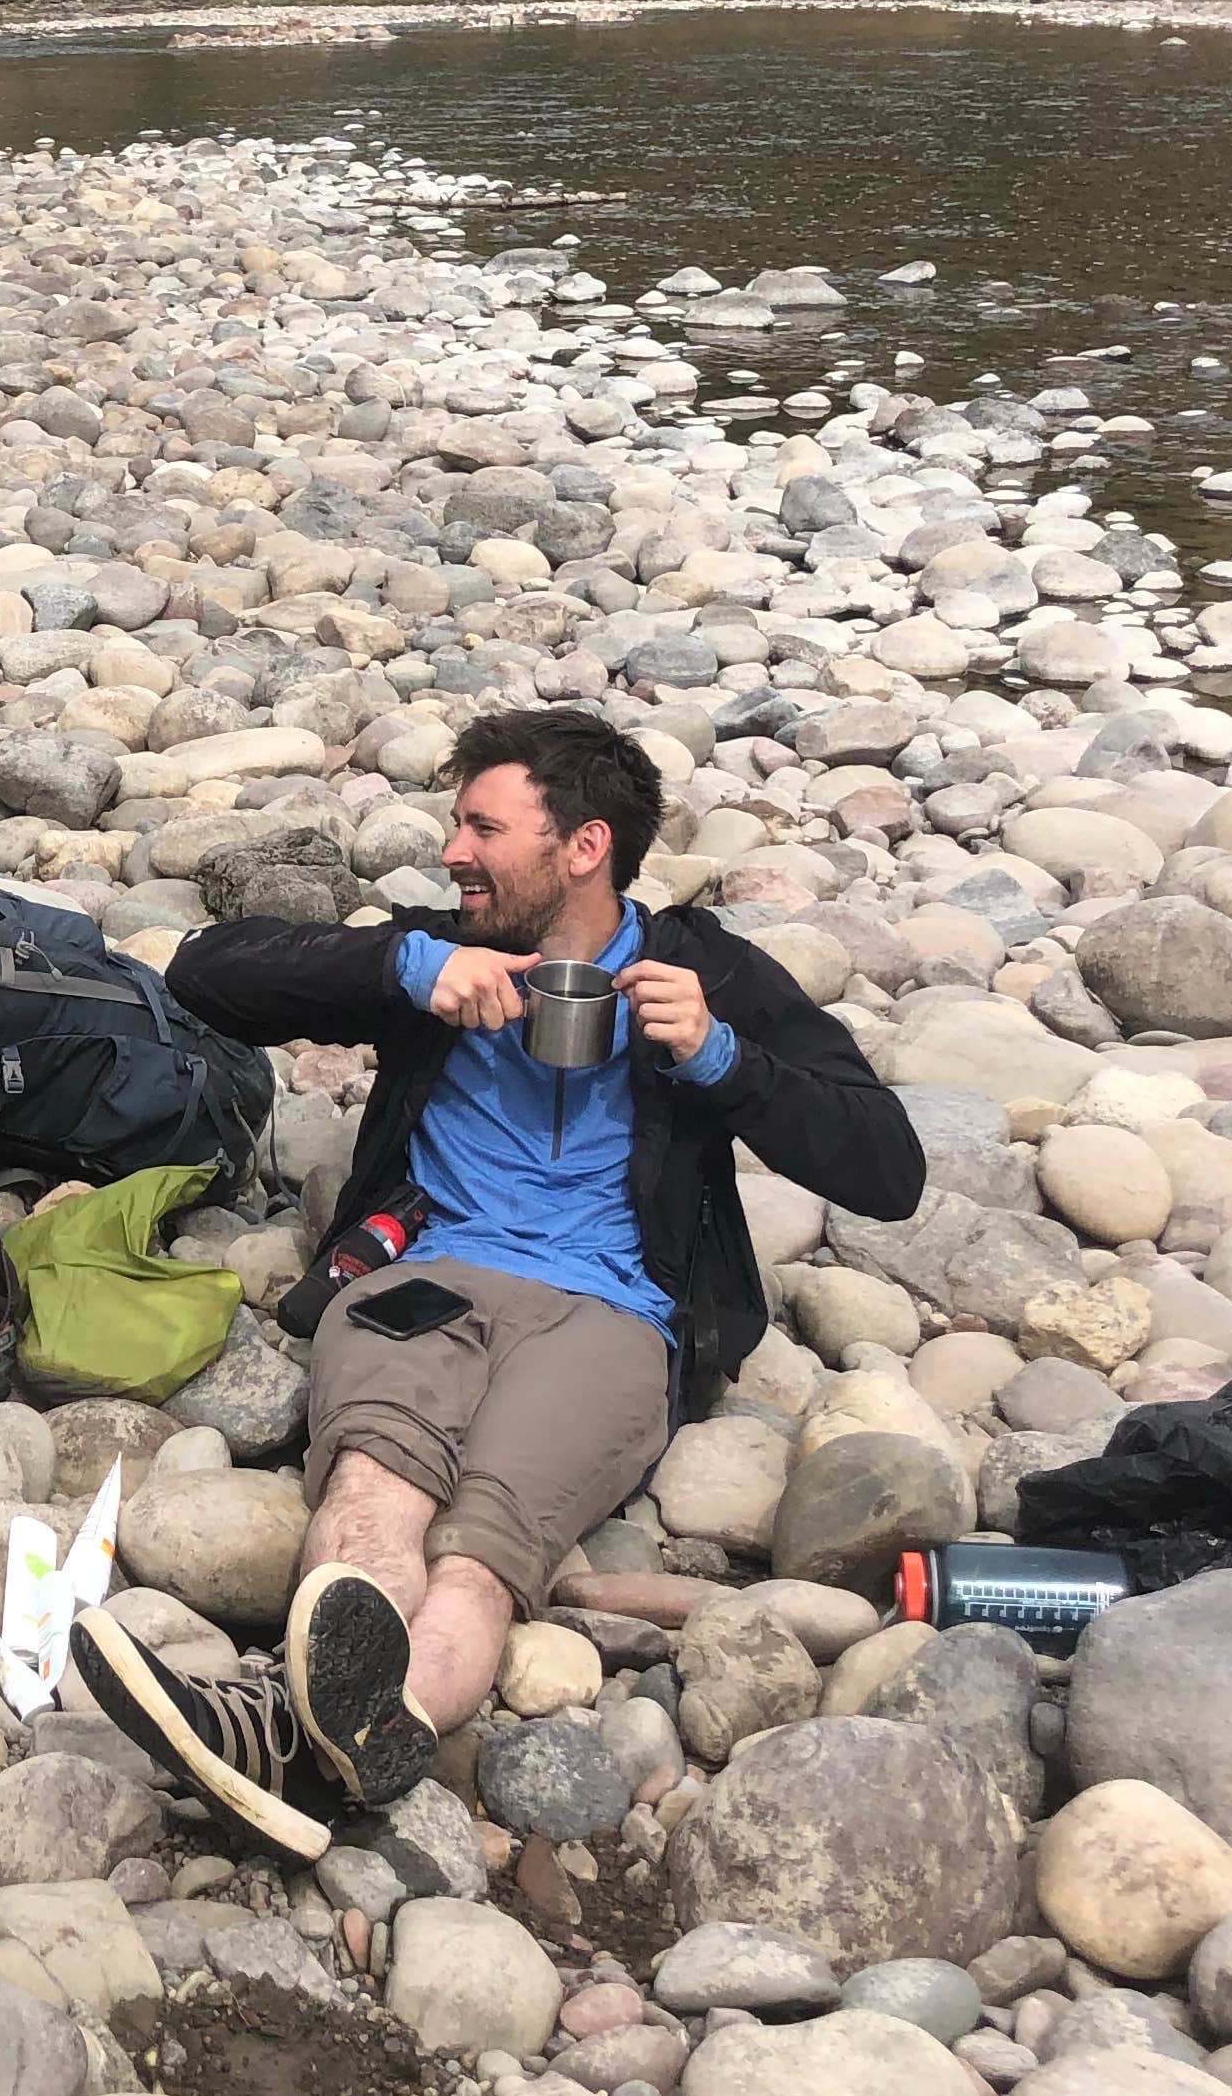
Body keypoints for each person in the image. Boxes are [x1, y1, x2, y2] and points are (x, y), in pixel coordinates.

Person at [70, 703, 928, 1861]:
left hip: (614, 1316)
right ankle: (327, 1752)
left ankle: (276, 1739)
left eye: (482, 828)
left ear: (583, 848)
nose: (453, 852)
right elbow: (205, 976)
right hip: (428, 1273)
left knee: (481, 1562)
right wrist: (405, 965)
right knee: (372, 1493)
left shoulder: (704, 969)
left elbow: (889, 1170)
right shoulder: (443, 950)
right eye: (455, 827)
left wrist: (725, 1060)